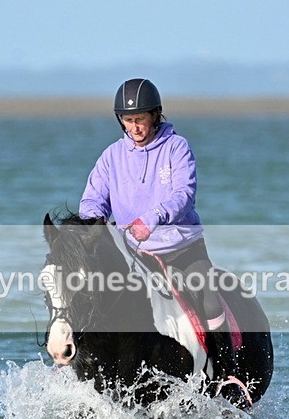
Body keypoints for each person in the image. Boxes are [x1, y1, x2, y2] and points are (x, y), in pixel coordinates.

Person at [78, 78, 239, 388]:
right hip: (132, 252)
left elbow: (184, 194)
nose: (134, 127)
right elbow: (92, 200)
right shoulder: (111, 156)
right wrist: (93, 224)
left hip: (180, 248)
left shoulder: (177, 147)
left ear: (155, 115)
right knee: (87, 293)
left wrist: (152, 218)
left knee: (208, 297)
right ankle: (77, 368)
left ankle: (228, 375)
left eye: (140, 119)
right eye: (128, 120)